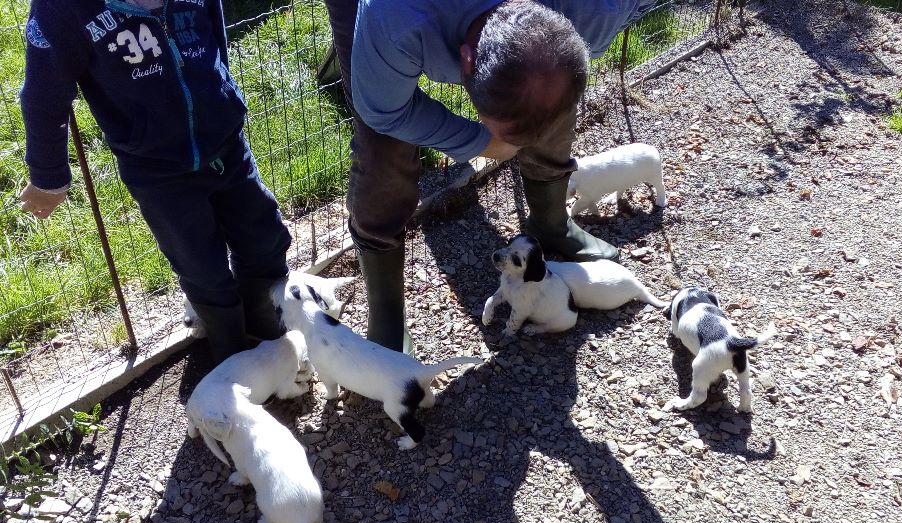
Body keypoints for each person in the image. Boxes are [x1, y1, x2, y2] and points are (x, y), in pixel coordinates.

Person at [324, 0, 658, 353]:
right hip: (400, 21)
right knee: (384, 150)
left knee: (547, 92)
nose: (519, 147)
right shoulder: (393, 20)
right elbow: (384, 112)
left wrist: (523, 129)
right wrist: (481, 141)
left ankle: (551, 222)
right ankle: (387, 313)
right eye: (513, 142)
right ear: (465, 61)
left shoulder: (596, 11)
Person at [18, 0, 292, 362]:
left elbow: (214, 26)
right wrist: (49, 177)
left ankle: (265, 325)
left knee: (264, 237)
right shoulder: (62, 9)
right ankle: (232, 351)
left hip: (225, 142)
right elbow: (43, 94)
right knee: (201, 267)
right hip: (156, 167)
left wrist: (223, 93)